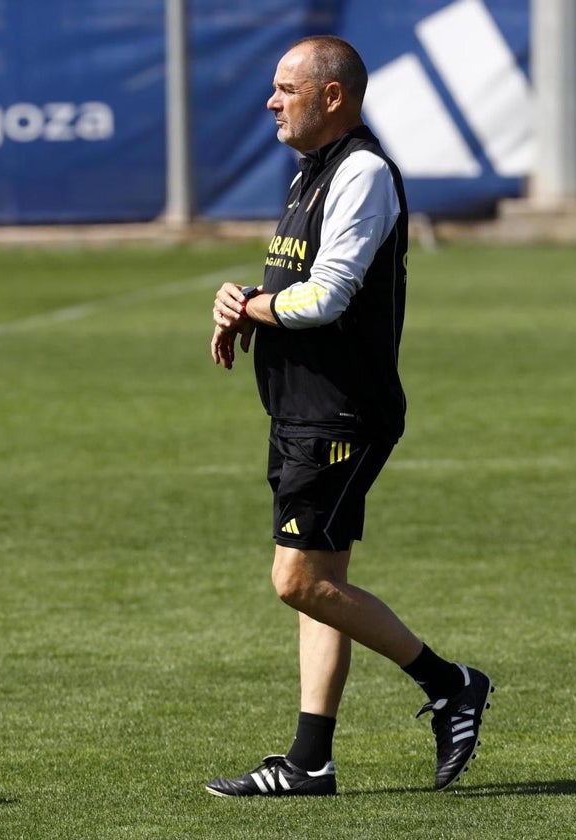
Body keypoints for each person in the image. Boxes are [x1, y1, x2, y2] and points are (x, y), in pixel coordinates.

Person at [205, 35, 492, 797]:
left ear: (333, 96)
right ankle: (309, 763)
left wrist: (260, 306)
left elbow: (327, 295)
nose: (271, 101)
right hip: (302, 411)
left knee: (296, 581)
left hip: (340, 416)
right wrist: (239, 303)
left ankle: (449, 682)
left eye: (286, 88)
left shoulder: (361, 173)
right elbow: (294, 286)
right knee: (322, 581)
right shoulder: (311, 174)